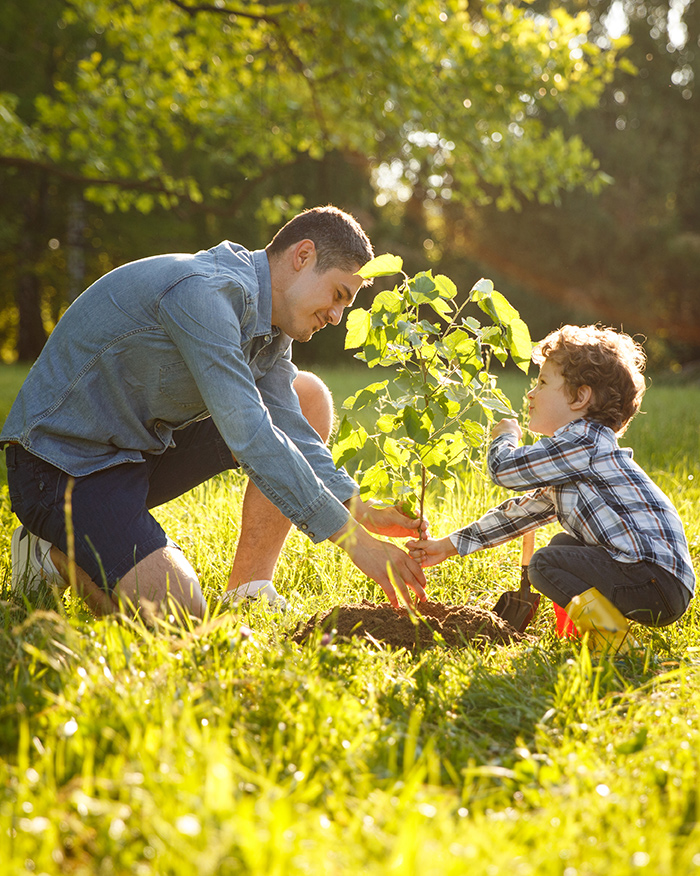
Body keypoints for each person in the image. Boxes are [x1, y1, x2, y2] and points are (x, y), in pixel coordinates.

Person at [2, 205, 427, 621]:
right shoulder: (205, 293)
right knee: (180, 614)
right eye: (338, 295)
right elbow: (251, 434)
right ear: (303, 256)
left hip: (135, 451)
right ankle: (49, 553)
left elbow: (289, 426)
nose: (337, 317)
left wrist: (357, 506)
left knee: (306, 396)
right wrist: (355, 542)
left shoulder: (271, 327)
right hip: (60, 466)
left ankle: (248, 590)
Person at [408, 325, 695, 654]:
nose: (530, 393)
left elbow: (504, 470)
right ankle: (586, 636)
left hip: (652, 579)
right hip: (659, 582)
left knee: (545, 563)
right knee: (562, 545)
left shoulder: (583, 441)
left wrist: (505, 438)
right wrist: (447, 545)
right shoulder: (576, 459)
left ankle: (616, 645)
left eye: (542, 382)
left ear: (580, 397)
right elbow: (519, 515)